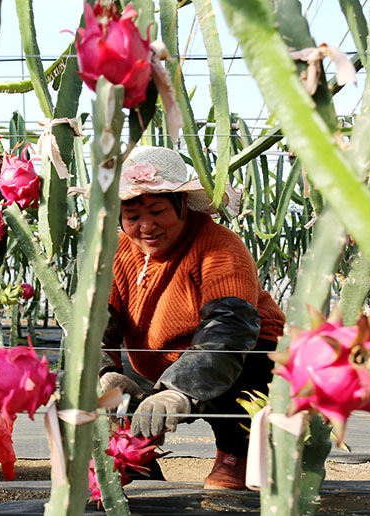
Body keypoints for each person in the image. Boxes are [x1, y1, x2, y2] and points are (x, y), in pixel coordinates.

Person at [99, 146, 285, 490]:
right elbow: (94, 322)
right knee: (109, 401)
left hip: (241, 355)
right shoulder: (114, 250)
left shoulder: (219, 246)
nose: (146, 226)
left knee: (245, 377)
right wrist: (106, 372)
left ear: (183, 206)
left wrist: (178, 390)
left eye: (157, 211)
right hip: (154, 362)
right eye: (132, 216)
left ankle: (235, 454)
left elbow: (229, 329)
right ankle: (137, 461)